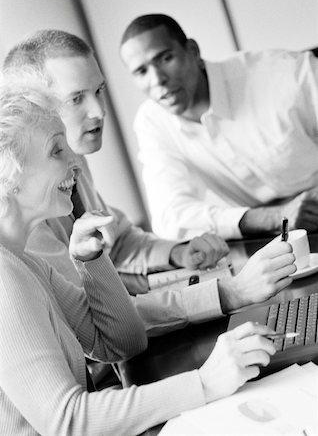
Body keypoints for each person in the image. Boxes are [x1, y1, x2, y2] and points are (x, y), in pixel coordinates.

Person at [0, 72, 278, 436]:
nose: (75, 161)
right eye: (57, 150)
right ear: (8, 176)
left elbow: (121, 341)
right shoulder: (5, 276)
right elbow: (67, 421)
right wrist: (206, 382)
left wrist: (91, 260)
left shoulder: (24, 261)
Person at [3, 30, 296, 342]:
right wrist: (230, 293)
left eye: (99, 91)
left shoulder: (73, 163)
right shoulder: (25, 209)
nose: (99, 111)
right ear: (32, 107)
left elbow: (118, 241)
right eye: (76, 98)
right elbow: (100, 319)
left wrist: (177, 253)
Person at [119, 13, 318, 241]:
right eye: (141, 72)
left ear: (192, 51)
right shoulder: (153, 122)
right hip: (274, 238)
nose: (157, 80)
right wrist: (274, 217)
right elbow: (170, 217)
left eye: (165, 59)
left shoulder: (285, 73)